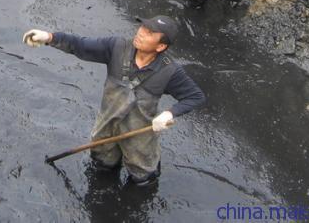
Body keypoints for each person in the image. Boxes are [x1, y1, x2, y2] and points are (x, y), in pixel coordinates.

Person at [22, 16, 205, 186]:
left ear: (160, 47)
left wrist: (169, 113)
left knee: (142, 179)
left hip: (138, 135)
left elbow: (195, 96)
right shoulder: (117, 47)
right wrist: (48, 37)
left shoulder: (169, 72)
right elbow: (80, 45)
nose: (140, 32)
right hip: (106, 128)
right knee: (102, 168)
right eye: (143, 27)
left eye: (149, 33)